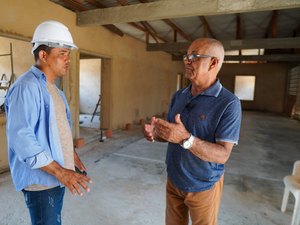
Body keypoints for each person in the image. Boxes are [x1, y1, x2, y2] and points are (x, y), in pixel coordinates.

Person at [144, 38, 242, 225]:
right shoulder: (179, 95)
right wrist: (156, 134)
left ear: (213, 62)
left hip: (203, 186)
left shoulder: (229, 103)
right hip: (174, 180)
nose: (187, 61)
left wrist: (186, 139)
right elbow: (174, 135)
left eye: (194, 56)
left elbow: (222, 155)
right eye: (186, 56)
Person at [5, 20, 92, 225]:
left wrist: (71, 155)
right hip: (42, 183)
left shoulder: (56, 92)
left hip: (56, 177)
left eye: (68, 54)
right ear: (43, 55)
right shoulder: (26, 87)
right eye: (62, 53)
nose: (67, 59)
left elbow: (57, 130)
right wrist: (62, 172)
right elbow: (22, 139)